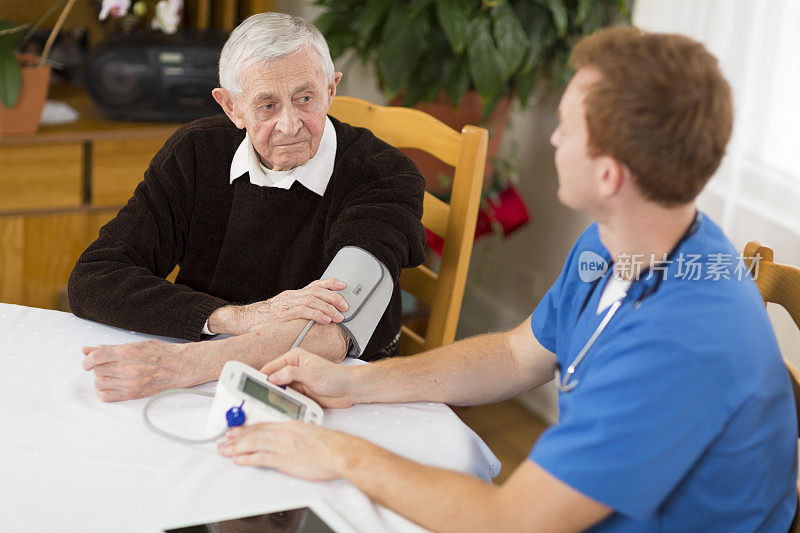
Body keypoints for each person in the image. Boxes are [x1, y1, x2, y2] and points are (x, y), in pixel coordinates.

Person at [216, 27, 798, 532]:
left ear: (609, 174)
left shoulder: (677, 348)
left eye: (566, 129)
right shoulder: (621, 239)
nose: (552, 139)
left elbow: (510, 521)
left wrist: (337, 453)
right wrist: (355, 386)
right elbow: (522, 354)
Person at [68, 13, 426, 402]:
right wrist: (238, 316)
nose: (290, 125)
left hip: (338, 388)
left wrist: (183, 365)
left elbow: (334, 329)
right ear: (232, 107)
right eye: (267, 106)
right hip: (209, 367)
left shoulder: (383, 173)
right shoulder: (196, 153)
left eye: (305, 99)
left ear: (331, 90)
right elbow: (95, 278)